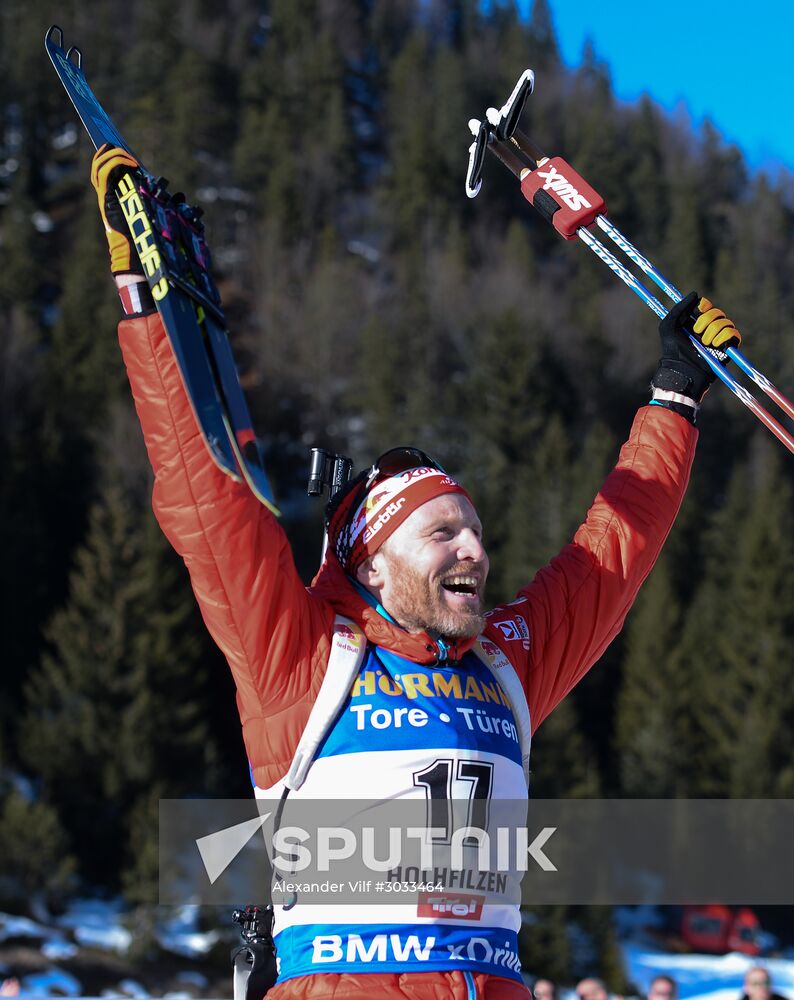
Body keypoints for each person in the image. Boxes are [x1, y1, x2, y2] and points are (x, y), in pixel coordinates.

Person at [90, 145, 741, 1000]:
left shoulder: (509, 664)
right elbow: (207, 506)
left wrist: (676, 396)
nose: (473, 548)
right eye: (442, 532)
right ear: (373, 556)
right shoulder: (305, 662)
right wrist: (148, 302)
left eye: (474, 529)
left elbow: (610, 554)